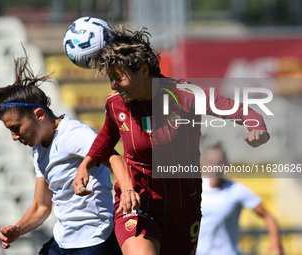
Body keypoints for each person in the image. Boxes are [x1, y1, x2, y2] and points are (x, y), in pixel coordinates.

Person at [72, 26, 270, 255]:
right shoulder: (116, 104)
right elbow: (107, 137)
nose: (113, 85)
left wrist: (257, 127)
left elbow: (238, 110)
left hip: (184, 206)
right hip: (139, 204)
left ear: (144, 70)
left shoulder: (184, 94)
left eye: (118, 78)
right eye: (111, 79)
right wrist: (86, 164)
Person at [0, 56, 123, 255]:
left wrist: (128, 190)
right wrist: (18, 228)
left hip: (94, 239)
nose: (13, 137)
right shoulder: (39, 149)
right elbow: (41, 206)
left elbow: (115, 158)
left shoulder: (74, 134)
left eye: (16, 128)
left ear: (39, 115)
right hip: (64, 239)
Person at [196, 142, 283, 255]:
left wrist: (276, 243)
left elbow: (268, 216)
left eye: (219, 163)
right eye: (211, 163)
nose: (215, 168)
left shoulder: (236, 190)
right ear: (203, 164)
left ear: (226, 165)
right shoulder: (194, 189)